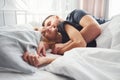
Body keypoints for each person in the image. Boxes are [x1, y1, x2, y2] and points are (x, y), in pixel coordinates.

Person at [39, 9, 107, 55]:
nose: (50, 27)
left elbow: (94, 28)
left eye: (49, 23)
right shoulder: (60, 37)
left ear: (56, 17)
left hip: (109, 27)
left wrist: (65, 45)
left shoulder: (74, 14)